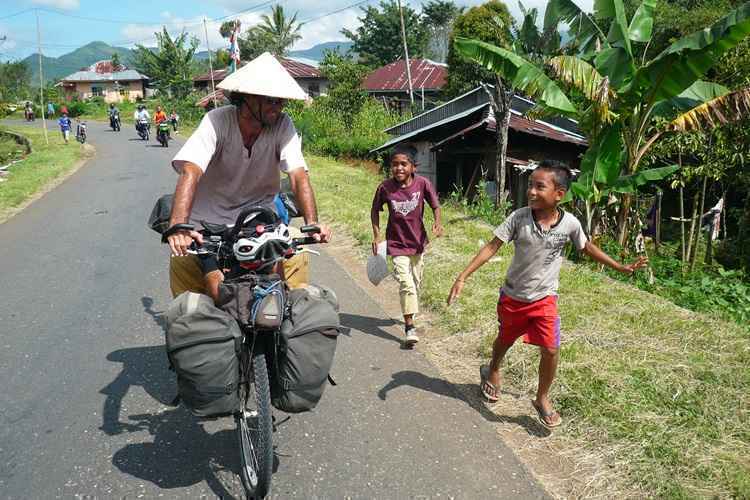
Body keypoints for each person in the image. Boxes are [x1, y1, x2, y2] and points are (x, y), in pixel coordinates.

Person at [446, 160, 648, 429]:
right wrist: (462, 276)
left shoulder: (570, 224)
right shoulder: (519, 218)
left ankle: (542, 398)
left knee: (551, 349)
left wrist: (619, 267)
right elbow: (493, 246)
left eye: (539, 187)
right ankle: (493, 368)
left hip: (545, 299)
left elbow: (585, 247)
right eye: (531, 185)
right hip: (513, 298)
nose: (531, 191)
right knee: (504, 341)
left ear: (559, 194)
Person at [165, 52, 332, 302]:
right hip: (211, 225)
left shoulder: (283, 125)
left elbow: (298, 175)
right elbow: (191, 170)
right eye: (271, 100)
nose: (279, 107)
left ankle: (282, 335)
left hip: (259, 220)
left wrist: (312, 223)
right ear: (246, 99)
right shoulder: (217, 121)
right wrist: (179, 226)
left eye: (281, 101)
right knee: (210, 287)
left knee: (285, 276)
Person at [371, 144, 443, 347]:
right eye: (394, 164)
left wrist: (437, 222)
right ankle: (409, 326)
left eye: (404, 164)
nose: (399, 168)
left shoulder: (422, 184)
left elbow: (435, 205)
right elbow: (374, 211)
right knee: (406, 283)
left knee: (416, 283)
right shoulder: (385, 188)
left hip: (418, 243)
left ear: (414, 167)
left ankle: (409, 310)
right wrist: (377, 236)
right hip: (396, 245)